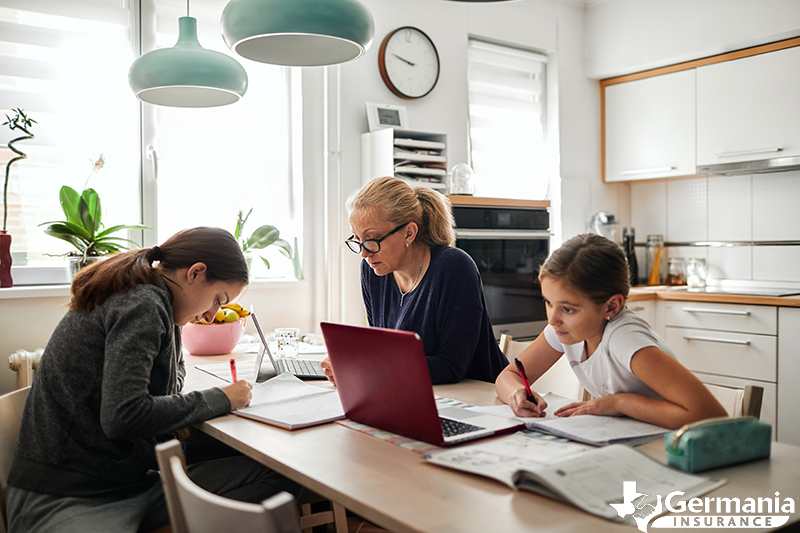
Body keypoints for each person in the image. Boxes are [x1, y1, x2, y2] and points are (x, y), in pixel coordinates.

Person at [6, 227, 300, 533]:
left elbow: (170, 381)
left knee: (283, 478)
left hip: (128, 480)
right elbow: (123, 417)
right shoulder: (142, 303)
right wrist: (222, 398)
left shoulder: (161, 302)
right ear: (196, 273)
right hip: (69, 493)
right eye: (217, 299)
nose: (212, 315)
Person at [495, 233, 727, 429]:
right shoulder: (566, 329)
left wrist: (618, 403)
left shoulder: (624, 339)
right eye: (548, 302)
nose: (553, 319)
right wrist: (517, 394)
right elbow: (509, 376)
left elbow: (711, 416)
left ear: (611, 306)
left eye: (567, 308)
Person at [320, 176, 508, 385]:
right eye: (357, 240)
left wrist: (370, 367)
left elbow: (452, 366)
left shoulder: (454, 267)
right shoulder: (372, 271)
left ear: (409, 233)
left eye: (372, 240)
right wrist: (351, 364)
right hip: (414, 391)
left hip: (481, 398)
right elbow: (384, 351)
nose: (364, 253)